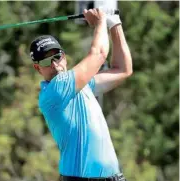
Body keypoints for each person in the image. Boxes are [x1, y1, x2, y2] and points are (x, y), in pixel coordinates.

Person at [29, 8, 132, 181]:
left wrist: (114, 24)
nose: (54, 65)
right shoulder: (55, 91)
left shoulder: (82, 86)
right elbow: (99, 54)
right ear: (37, 68)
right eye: (46, 61)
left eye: (57, 57)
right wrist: (100, 22)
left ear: (64, 57)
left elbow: (123, 70)